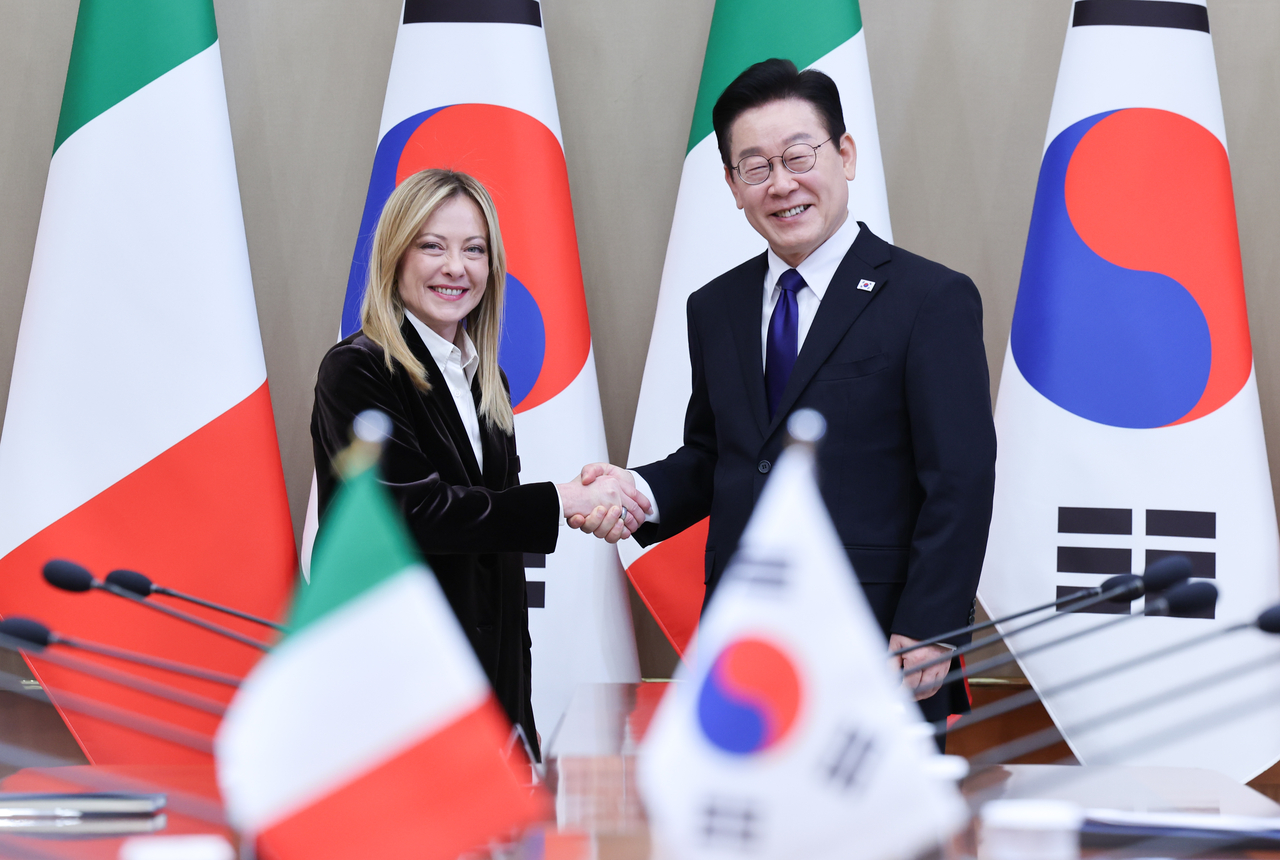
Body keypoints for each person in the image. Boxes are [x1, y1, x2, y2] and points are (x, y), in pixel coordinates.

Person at [573, 59, 996, 722]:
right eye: (756, 167)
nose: (781, 184)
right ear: (732, 184)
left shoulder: (929, 300)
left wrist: (929, 626)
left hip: (881, 648)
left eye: (799, 156)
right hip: (745, 651)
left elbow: (960, 480)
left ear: (846, 155)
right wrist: (637, 493)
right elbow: (719, 457)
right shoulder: (714, 307)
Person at [311, 169, 650, 759]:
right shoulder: (357, 370)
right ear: (395, 255)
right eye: (432, 246)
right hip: (402, 693)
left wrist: (519, 719)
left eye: (474, 249)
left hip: (490, 695)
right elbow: (411, 514)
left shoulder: (487, 382)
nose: (455, 267)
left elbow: (495, 551)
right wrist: (560, 500)